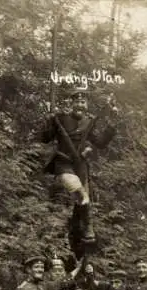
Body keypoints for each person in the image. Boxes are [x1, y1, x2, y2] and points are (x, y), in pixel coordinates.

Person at [40, 88, 118, 243]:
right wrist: (48, 121)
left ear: (86, 104)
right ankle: (83, 227)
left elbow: (100, 143)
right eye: (77, 102)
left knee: (84, 200)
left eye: (83, 102)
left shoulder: (89, 122)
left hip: (81, 164)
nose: (80, 105)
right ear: (72, 103)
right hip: (63, 162)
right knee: (79, 192)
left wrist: (111, 126)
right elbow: (45, 138)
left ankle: (84, 228)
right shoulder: (61, 118)